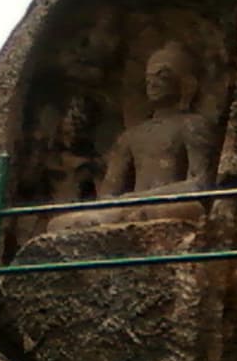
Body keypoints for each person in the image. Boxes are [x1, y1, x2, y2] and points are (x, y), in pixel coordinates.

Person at [48, 41, 215, 231]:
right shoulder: (131, 136)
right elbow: (107, 195)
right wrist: (123, 202)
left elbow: (201, 184)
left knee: (181, 209)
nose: (153, 83)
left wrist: (142, 198)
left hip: (170, 204)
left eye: (163, 75)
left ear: (186, 84)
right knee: (59, 224)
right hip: (130, 206)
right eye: (149, 77)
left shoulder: (193, 124)